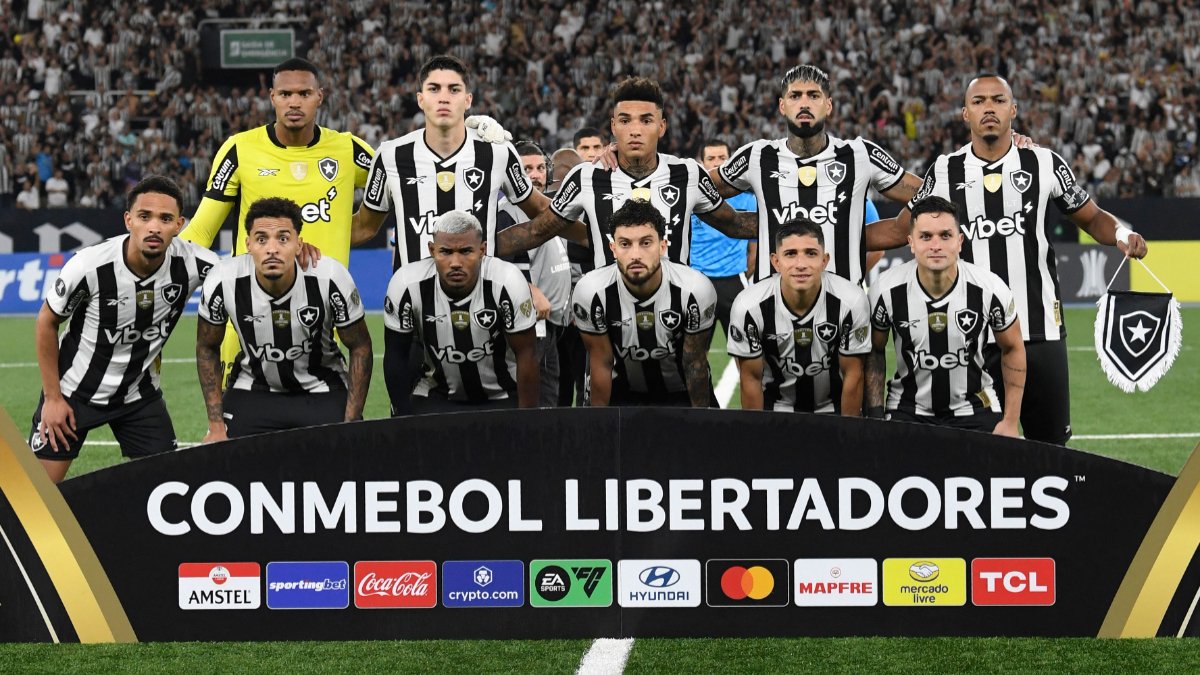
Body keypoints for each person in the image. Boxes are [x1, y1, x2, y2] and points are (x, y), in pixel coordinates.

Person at [906, 73, 1149, 444]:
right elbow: (902, 227)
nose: (989, 108)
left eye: (998, 100)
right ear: (964, 114)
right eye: (979, 101)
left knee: (1050, 447)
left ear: (1014, 110)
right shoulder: (944, 171)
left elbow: (1092, 216)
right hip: (973, 336)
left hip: (1041, 333)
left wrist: (1121, 234)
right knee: (975, 449)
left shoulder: (1043, 163)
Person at [180, 57, 374, 384]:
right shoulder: (240, 149)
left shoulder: (347, 150)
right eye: (285, 94)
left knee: (329, 430)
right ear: (272, 97)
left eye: (304, 93)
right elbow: (200, 231)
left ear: (319, 96)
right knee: (235, 429)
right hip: (247, 317)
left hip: (325, 317)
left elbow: (401, 182)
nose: (294, 102)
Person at [30, 176, 218, 482]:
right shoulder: (90, 266)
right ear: (128, 220)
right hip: (73, 394)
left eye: (165, 218)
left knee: (169, 491)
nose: (154, 227)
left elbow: (247, 277)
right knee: (35, 500)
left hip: (138, 396)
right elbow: (46, 321)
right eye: (145, 217)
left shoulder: (194, 264)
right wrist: (53, 399)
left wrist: (301, 255)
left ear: (179, 225)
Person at [497, 77, 756, 270]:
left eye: (645, 120)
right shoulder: (586, 178)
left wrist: (790, 219)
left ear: (662, 126)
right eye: (625, 120)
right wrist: (471, 248)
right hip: (608, 321)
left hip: (673, 315)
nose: (635, 130)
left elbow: (733, 224)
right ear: (613, 126)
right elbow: (536, 231)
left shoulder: (688, 174)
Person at [710, 64, 922, 285]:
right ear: (782, 106)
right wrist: (752, 223)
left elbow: (924, 193)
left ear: (828, 105)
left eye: (813, 95)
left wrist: (853, 235)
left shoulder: (861, 156)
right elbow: (702, 191)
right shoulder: (757, 156)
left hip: (842, 309)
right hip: (772, 310)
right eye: (795, 96)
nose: (804, 103)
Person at [352, 54, 559, 271]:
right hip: (414, 299)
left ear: (468, 99)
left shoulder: (497, 151)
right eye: (434, 89)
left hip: (480, 298)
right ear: (420, 99)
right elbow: (364, 227)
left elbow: (543, 209)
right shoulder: (390, 155)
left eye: (454, 89)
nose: (444, 97)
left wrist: (591, 236)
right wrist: (312, 239)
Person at [196, 197, 372, 440]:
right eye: (261, 239)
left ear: (299, 244)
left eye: (283, 238)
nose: (272, 248)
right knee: (221, 458)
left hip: (321, 388)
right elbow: (207, 347)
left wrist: (352, 421)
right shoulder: (223, 280)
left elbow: (360, 346)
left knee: (343, 458)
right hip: (254, 388)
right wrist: (216, 425)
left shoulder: (330, 277)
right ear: (247, 244)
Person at [866, 196, 1025, 436]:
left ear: (960, 241)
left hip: (975, 408)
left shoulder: (990, 289)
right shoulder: (886, 289)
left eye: (945, 235)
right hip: (907, 409)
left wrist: (1011, 421)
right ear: (911, 242)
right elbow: (874, 352)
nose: (936, 245)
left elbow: (1013, 348)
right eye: (926, 236)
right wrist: (875, 416)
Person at [382, 210, 539, 413]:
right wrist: (402, 420)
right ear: (431, 250)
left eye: (466, 251)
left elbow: (527, 354)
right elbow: (396, 356)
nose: (455, 263)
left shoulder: (507, 281)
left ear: (483, 250)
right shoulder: (406, 285)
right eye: (446, 252)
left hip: (502, 394)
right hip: (436, 394)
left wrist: (528, 422)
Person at [572, 199, 717, 407]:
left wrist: (702, 426)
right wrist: (599, 428)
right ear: (613, 248)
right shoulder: (591, 292)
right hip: (622, 393)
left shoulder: (694, 290)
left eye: (646, 242)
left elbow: (694, 364)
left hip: (681, 392)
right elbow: (601, 364)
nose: (636, 255)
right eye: (625, 244)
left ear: (663, 246)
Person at [729, 218, 871, 415]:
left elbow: (853, 376)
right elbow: (751, 379)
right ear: (775, 262)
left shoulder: (851, 301)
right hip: (775, 414)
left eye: (811, 254)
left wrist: (846, 436)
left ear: (825, 260)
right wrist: (758, 438)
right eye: (790, 254)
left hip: (833, 413)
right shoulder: (748, 306)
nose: (801, 264)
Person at [498, 140, 571, 406]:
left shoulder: (550, 209)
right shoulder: (506, 214)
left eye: (541, 167)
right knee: (528, 393)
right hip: (529, 320)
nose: (536, 174)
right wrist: (531, 290)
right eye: (527, 168)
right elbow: (500, 265)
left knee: (550, 395)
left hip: (552, 322)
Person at [690, 139, 758, 337]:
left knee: (744, 350)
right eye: (711, 158)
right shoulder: (692, 200)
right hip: (698, 282)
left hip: (734, 283)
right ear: (702, 163)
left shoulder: (748, 199)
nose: (717, 163)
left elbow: (753, 250)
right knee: (695, 353)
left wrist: (741, 275)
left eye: (722, 158)